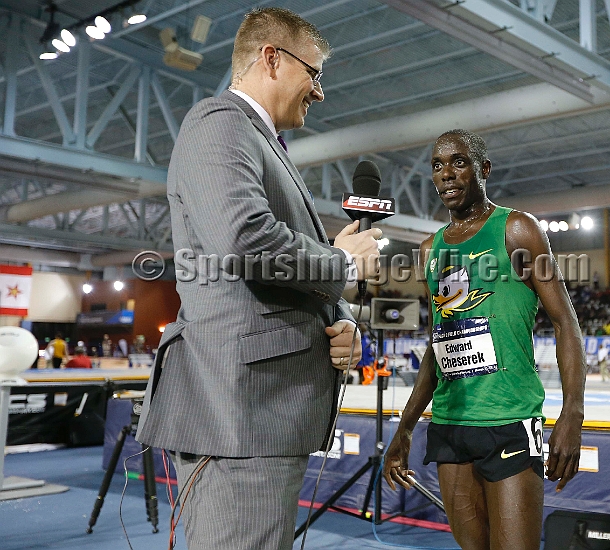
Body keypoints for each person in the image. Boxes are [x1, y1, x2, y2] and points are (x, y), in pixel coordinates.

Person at [135, 9, 381, 550]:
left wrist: (336, 321)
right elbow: (243, 239)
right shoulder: (220, 122)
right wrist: (340, 265)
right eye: (313, 73)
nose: (318, 91)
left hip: (258, 414)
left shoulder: (258, 140)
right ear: (272, 58)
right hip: (239, 414)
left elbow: (262, 270)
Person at [382, 130, 585, 550]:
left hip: (509, 420)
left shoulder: (517, 229)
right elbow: (439, 346)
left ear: (483, 170)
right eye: (437, 166)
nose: (446, 174)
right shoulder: (430, 249)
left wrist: (573, 413)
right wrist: (403, 429)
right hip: (450, 425)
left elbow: (566, 322)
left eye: (458, 162)